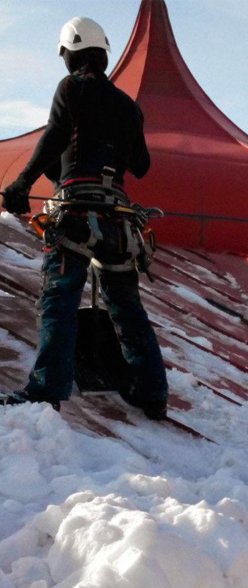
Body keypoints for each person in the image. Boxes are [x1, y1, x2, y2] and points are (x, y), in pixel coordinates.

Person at [1, 17, 168, 419]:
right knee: (126, 307)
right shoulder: (129, 107)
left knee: (59, 300)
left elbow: (55, 136)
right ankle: (151, 392)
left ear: (70, 53)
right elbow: (141, 166)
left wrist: (20, 186)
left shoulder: (72, 88)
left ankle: (47, 390)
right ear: (104, 54)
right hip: (118, 222)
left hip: (76, 214)